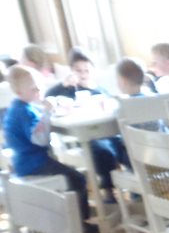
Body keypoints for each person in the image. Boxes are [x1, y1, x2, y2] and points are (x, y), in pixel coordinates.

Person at [1, 65, 94, 232]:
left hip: (26, 161)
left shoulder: (19, 107)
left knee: (71, 175)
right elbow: (40, 140)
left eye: (39, 87)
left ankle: (73, 219)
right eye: (33, 89)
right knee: (76, 178)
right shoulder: (23, 112)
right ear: (19, 91)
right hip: (33, 163)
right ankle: (79, 224)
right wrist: (46, 113)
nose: (38, 91)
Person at [44, 48, 126, 185]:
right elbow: (48, 97)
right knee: (103, 151)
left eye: (86, 70)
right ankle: (108, 188)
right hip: (85, 135)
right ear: (71, 70)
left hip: (107, 131)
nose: (83, 74)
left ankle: (131, 182)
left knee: (123, 146)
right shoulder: (69, 90)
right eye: (78, 71)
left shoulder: (99, 90)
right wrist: (63, 85)